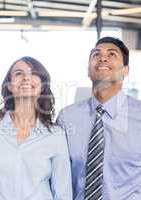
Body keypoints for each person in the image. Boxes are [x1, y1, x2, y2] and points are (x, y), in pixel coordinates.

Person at [0, 56, 72, 199]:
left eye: (33, 74)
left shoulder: (55, 134)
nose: (26, 78)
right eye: (19, 73)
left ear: (42, 85)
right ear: (9, 86)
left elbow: (63, 192)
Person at [57, 37, 141, 200]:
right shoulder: (67, 118)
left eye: (112, 54)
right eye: (96, 55)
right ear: (88, 70)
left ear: (125, 70)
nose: (103, 58)